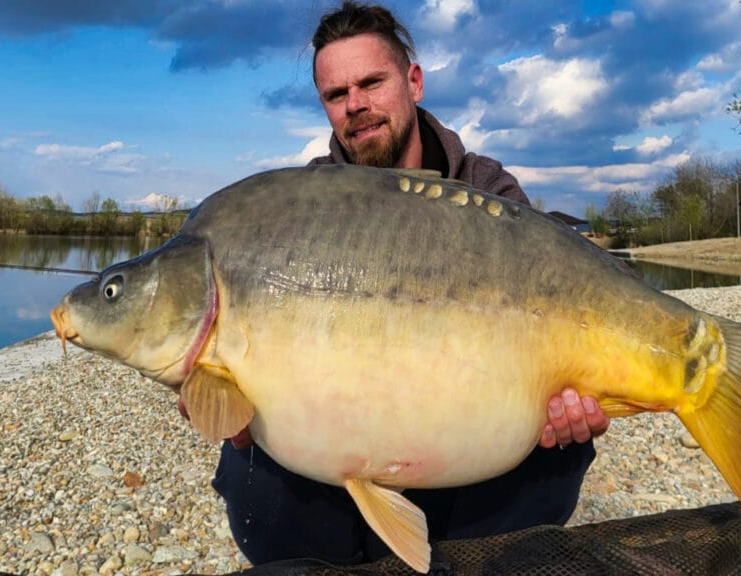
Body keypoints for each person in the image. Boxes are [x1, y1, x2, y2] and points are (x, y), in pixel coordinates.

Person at [188, 1, 611, 567]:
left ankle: (464, 556)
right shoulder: (300, 207)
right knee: (249, 471)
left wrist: (569, 403)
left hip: (467, 445)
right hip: (338, 442)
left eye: (371, 82)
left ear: (413, 81)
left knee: (563, 448)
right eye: (336, 95)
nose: (356, 105)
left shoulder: (485, 187)